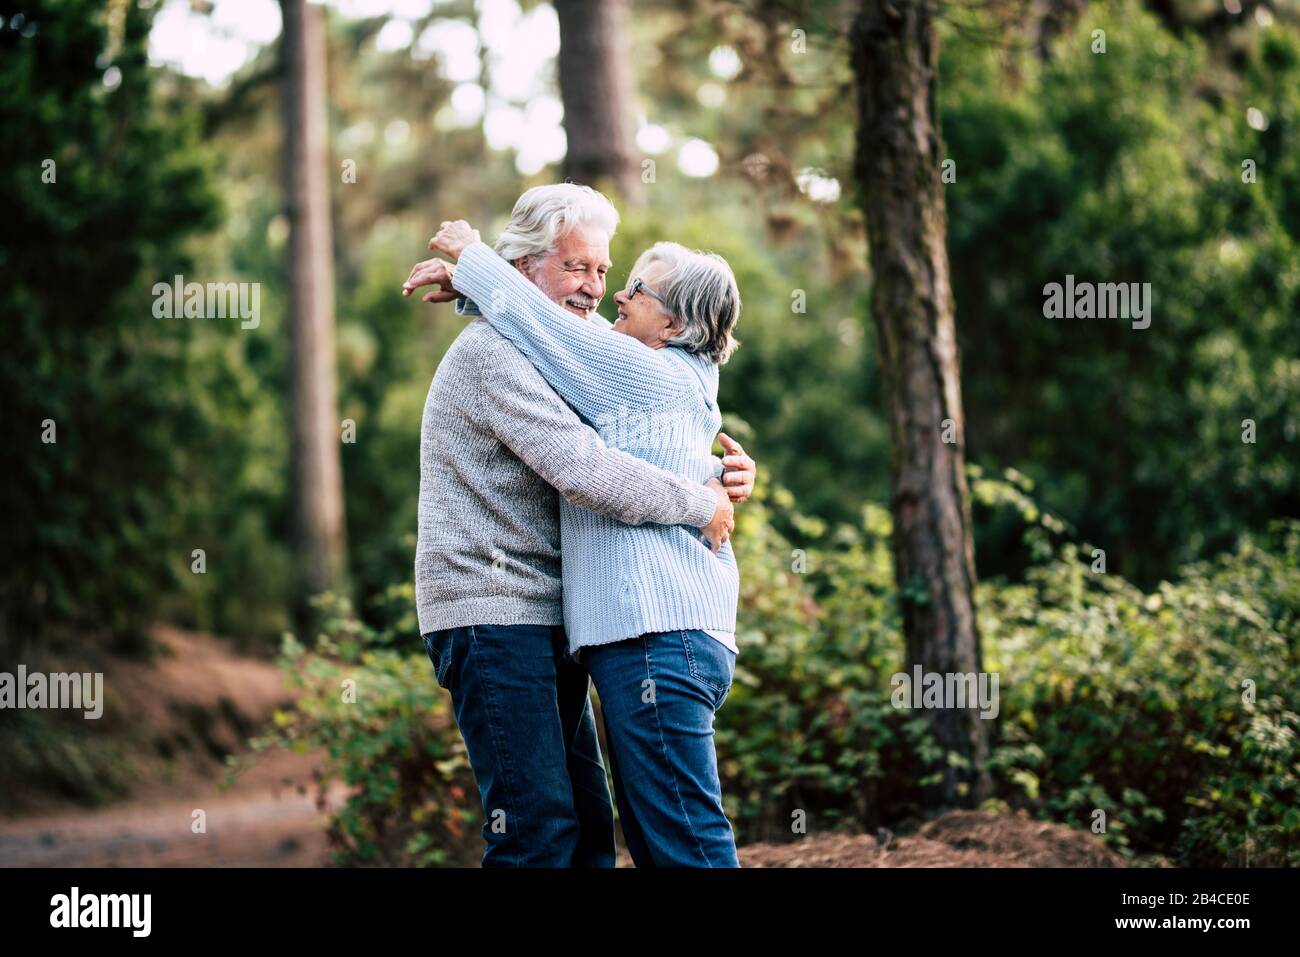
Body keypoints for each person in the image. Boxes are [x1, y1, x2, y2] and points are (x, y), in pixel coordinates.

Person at [401, 184, 756, 867]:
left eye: (604, 270)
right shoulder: (494, 357)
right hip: (494, 613)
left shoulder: (561, 351)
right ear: (528, 267)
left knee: (589, 830)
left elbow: (596, 348)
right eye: (577, 267)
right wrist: (701, 500)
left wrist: (723, 476)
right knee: (536, 831)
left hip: (548, 618)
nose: (597, 289)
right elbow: (585, 468)